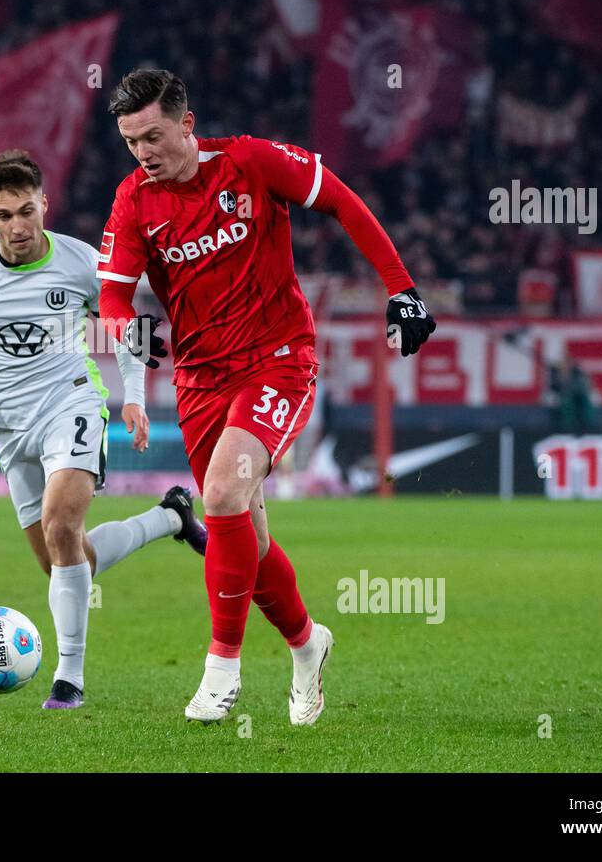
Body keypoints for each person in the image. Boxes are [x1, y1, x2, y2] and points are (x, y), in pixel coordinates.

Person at [96, 70, 436, 724]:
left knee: (221, 493)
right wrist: (124, 323)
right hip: (199, 379)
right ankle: (308, 645)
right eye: (131, 140)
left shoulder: (250, 161)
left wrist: (401, 287)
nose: (143, 151)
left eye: (154, 135)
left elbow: (342, 201)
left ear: (186, 124)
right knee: (242, 531)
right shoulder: (133, 200)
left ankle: (221, 666)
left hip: (278, 360)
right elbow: (113, 293)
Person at [0, 150, 208, 710]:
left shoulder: (82, 261)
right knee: (65, 557)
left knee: (61, 524)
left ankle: (70, 678)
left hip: (73, 401)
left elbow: (125, 326)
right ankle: (170, 517)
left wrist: (133, 397)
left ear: (45, 203)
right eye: (3, 215)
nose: (17, 226)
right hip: (9, 425)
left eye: (26, 210)